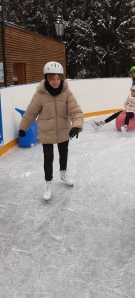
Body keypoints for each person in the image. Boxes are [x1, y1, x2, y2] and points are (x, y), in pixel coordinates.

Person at [18, 61, 84, 201]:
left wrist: (76, 126)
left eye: (58, 78)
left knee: (63, 152)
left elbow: (75, 110)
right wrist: (23, 128)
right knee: (48, 158)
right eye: (52, 78)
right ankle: (48, 183)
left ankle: (63, 174)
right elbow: (30, 112)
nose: (56, 81)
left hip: (63, 129)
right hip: (46, 130)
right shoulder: (40, 94)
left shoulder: (66, 92)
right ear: (47, 78)